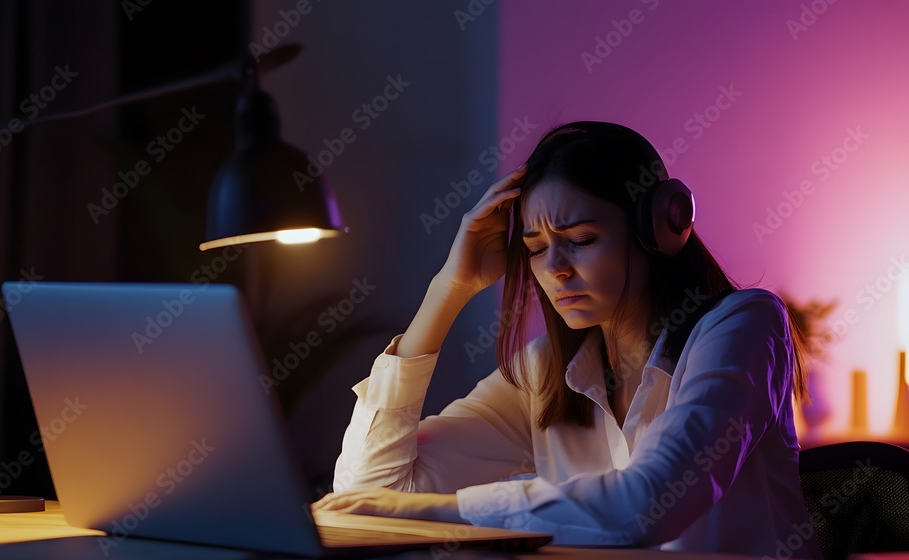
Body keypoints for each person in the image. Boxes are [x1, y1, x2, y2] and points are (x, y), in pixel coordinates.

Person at [311, 121, 822, 557]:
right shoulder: (545, 372)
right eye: (535, 248)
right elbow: (370, 491)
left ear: (658, 230)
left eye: (580, 241)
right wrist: (449, 288)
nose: (553, 269)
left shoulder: (745, 326)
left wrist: (436, 508)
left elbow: (649, 506)